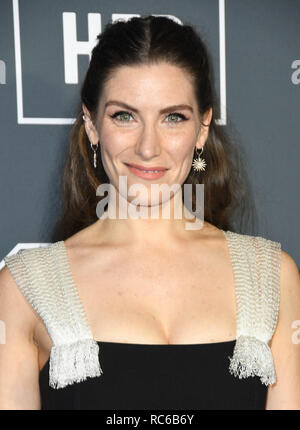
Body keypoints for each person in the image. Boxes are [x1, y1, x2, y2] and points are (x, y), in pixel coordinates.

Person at [0, 15, 299, 410]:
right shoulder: (25, 288)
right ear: (91, 125)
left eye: (173, 118)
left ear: (203, 128)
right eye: (124, 116)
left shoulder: (270, 277)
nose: (148, 148)